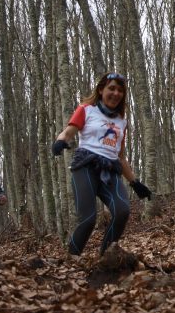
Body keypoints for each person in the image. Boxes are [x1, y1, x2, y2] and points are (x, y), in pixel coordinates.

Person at [52, 72, 153, 256]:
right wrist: (59, 142)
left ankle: (107, 257)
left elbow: (120, 157)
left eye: (120, 90)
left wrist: (135, 183)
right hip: (85, 167)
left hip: (110, 170)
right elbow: (68, 132)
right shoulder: (86, 110)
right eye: (111, 88)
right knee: (88, 219)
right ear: (101, 90)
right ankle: (71, 259)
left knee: (122, 211)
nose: (116, 93)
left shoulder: (122, 122)